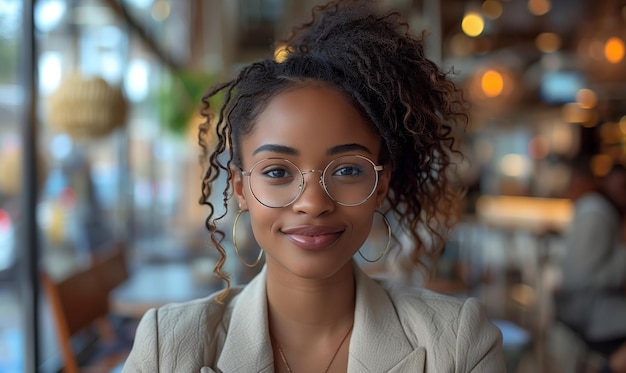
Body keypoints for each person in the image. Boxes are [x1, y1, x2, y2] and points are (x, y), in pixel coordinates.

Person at [122, 1, 505, 371]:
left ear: (381, 183)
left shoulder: (457, 344)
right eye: (277, 172)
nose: (313, 203)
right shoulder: (167, 347)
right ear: (240, 186)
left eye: (348, 170)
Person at [556, 162, 626, 373]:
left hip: (586, 310)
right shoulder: (597, 213)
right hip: (592, 315)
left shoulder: (597, 210)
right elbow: (581, 276)